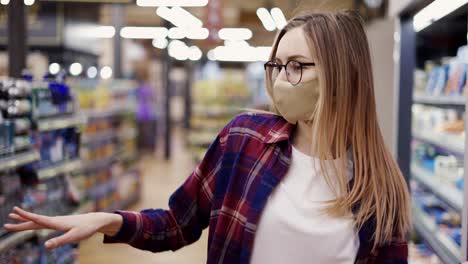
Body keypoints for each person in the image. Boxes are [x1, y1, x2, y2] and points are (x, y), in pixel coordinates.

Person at [4, 10, 411, 263]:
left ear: (342, 77)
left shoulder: (381, 189)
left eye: (297, 66)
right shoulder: (244, 141)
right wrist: (109, 221)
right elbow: (176, 224)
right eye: (276, 65)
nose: (281, 80)